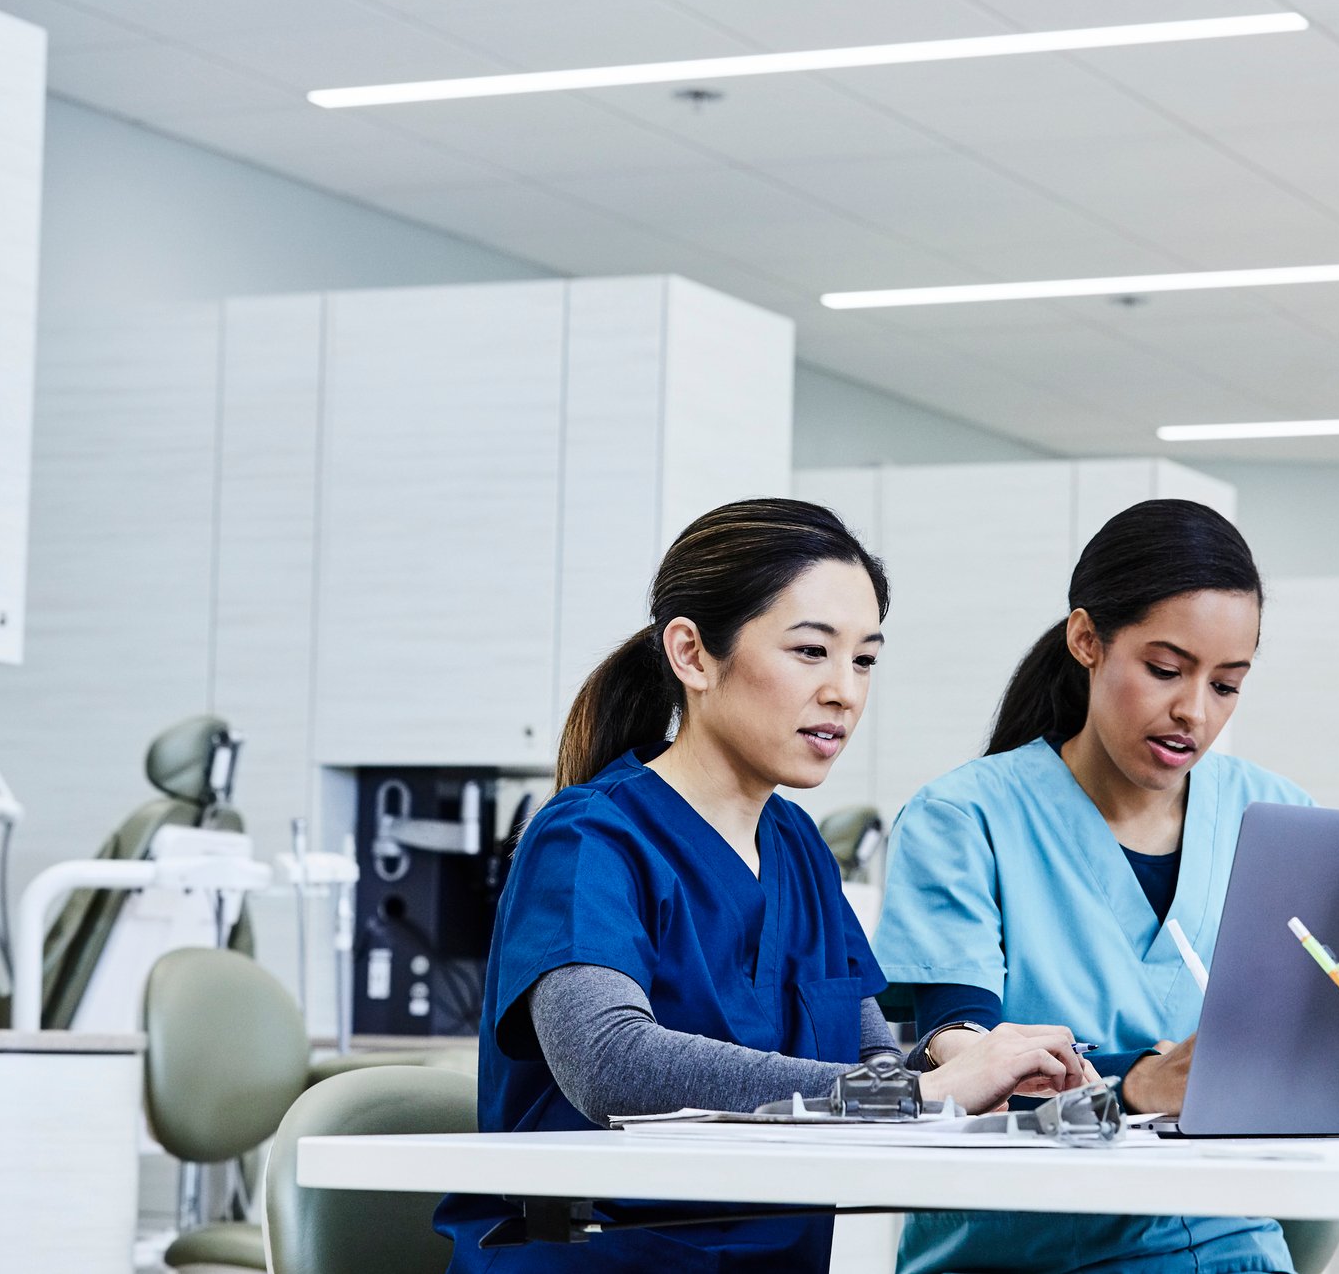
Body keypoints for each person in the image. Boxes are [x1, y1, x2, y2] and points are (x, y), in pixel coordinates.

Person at [437, 498, 1091, 1273]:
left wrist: (975, 1064)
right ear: (691, 654)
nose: (845, 692)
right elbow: (609, 1062)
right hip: (607, 1259)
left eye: (864, 659)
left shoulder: (797, 847)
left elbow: (867, 1066)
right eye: (811, 652)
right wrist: (922, 1092)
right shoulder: (588, 839)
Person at [874, 499, 1314, 1274]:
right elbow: (959, 1063)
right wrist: (1137, 1083)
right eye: (1165, 670)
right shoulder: (964, 818)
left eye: (1226, 685)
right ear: (1086, 640)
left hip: (1232, 1246)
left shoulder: (1274, 817)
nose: (1193, 712)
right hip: (1024, 1250)